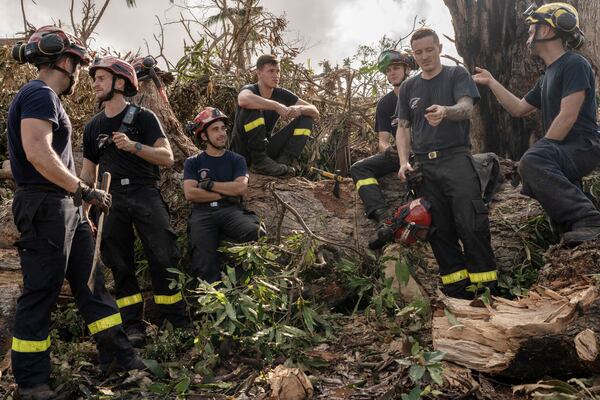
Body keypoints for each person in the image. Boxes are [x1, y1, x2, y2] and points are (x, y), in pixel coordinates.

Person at [7, 26, 143, 399]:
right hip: (45, 204)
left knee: (92, 285)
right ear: (66, 61)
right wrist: (82, 189)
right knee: (41, 293)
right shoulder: (39, 94)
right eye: (79, 65)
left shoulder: (45, 97)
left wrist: (79, 207)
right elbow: (37, 150)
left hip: (63, 207)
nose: (80, 73)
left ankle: (118, 356)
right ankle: (32, 385)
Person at [80, 57, 188, 347]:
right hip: (110, 199)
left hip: (144, 192)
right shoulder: (92, 128)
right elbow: (88, 174)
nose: (95, 83)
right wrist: (85, 212)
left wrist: (134, 146)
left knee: (163, 255)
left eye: (101, 78)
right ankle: (133, 325)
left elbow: (167, 157)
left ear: (120, 82)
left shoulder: (143, 117)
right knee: (120, 263)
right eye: (94, 78)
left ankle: (176, 320)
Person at [473, 2, 600, 246]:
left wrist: (540, 153)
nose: (529, 33)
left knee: (533, 161)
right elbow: (518, 108)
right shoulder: (546, 76)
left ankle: (590, 220)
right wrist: (491, 82)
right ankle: (576, 233)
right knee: (543, 174)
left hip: (583, 145)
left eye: (533, 27)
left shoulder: (575, 64)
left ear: (549, 30)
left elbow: (568, 116)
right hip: (564, 150)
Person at [395, 27, 497, 299]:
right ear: (413, 56)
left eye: (429, 49)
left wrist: (445, 111)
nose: (425, 56)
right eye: (418, 52)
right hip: (425, 168)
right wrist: (404, 162)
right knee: (438, 230)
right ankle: (457, 291)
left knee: (471, 222)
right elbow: (403, 128)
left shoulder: (456, 74)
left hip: (456, 159)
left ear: (439, 48)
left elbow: (466, 109)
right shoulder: (408, 87)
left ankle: (487, 290)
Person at [184, 107, 264, 283]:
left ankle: (243, 283)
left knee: (255, 232)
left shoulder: (237, 160)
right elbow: (190, 193)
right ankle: (213, 302)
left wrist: (210, 185)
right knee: (203, 262)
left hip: (230, 211)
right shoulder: (193, 162)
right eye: (215, 129)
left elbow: (240, 189)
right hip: (203, 215)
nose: (222, 133)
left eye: (223, 128)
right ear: (204, 136)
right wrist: (224, 194)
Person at [350, 50, 415, 225]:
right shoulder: (385, 104)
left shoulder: (420, 91)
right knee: (359, 168)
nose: (392, 72)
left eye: (395, 68)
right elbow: (383, 141)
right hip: (400, 154)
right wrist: (389, 151)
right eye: (388, 70)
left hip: (425, 152)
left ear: (407, 69)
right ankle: (381, 213)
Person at [230, 54, 320, 176]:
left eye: (278, 71)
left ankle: (285, 161)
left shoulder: (281, 93)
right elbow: (243, 100)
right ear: (259, 73)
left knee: (306, 118)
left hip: (265, 152)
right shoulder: (250, 89)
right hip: (242, 152)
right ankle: (258, 162)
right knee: (253, 106)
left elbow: (315, 111)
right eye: (271, 71)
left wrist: (299, 109)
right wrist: (276, 106)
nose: (276, 75)